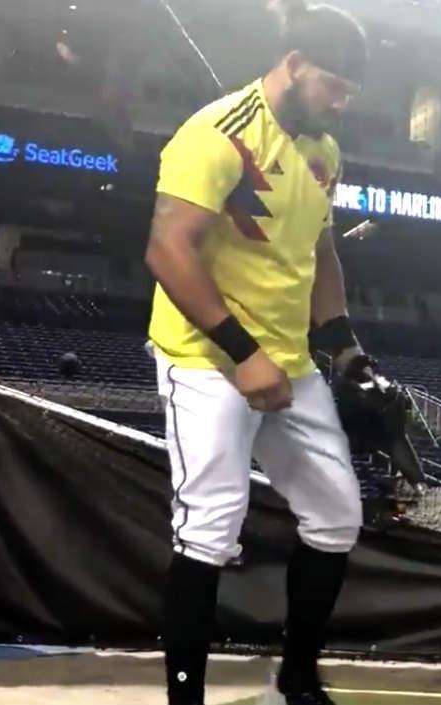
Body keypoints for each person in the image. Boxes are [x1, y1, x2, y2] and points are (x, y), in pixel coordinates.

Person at [142, 3, 371, 704]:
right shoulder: (215, 134)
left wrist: (344, 348)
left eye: (349, 94)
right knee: (209, 526)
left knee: (337, 516)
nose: (339, 103)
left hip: (288, 356)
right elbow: (166, 250)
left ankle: (296, 680)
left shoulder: (323, 150)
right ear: (293, 65)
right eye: (333, 86)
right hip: (206, 355)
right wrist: (242, 353)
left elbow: (318, 249)